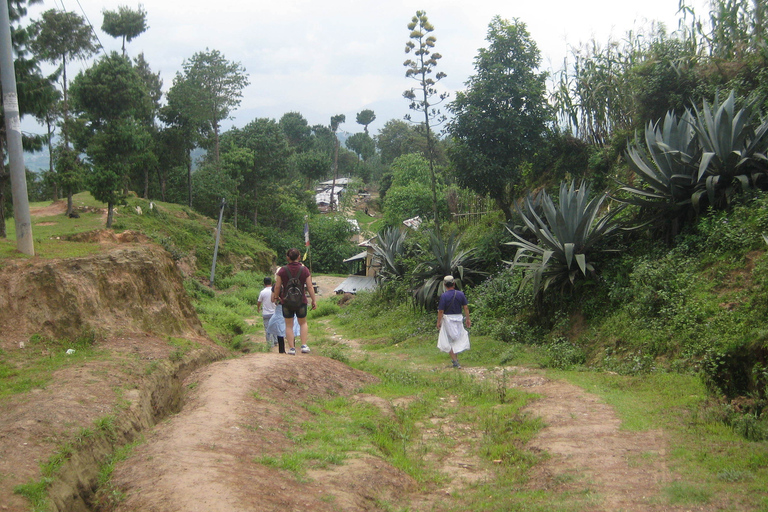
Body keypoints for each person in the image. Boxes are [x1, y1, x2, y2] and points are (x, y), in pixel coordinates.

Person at [272, 248, 317, 355]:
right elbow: (309, 286)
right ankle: (304, 345)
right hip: (301, 301)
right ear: (299, 257)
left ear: (287, 258)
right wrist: (314, 300)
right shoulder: (304, 270)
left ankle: (292, 348)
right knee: (303, 323)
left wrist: (276, 297)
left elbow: (277, 286)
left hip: (286, 301)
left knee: (288, 325)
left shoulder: (282, 270)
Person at [436, 275, 471, 368]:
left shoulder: (444, 296)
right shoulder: (460, 294)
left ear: (444, 285)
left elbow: (441, 311)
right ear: (454, 284)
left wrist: (438, 322)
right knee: (457, 339)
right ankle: (455, 360)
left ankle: (455, 362)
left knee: (448, 340)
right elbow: (466, 307)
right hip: (459, 319)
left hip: (448, 320)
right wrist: (468, 319)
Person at [256, 276, 277, 348]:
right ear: (271, 283)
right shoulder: (274, 291)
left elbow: (259, 302)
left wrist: (258, 308)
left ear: (264, 283)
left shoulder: (262, 292)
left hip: (266, 313)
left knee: (267, 329)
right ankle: (276, 341)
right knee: (274, 327)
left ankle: (270, 344)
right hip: (274, 312)